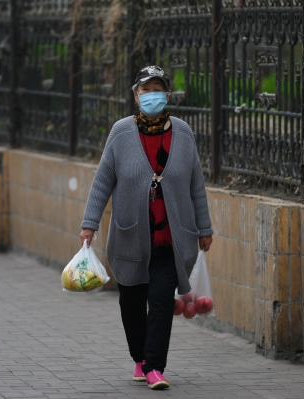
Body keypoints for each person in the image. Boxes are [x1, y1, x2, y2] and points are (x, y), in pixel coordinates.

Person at [80, 65, 213, 390]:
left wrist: (204, 227)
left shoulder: (183, 132)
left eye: (157, 88)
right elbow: (102, 181)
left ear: (167, 94)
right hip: (130, 239)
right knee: (132, 304)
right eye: (145, 89)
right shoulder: (121, 133)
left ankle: (154, 366)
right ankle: (139, 358)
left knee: (162, 301)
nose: (151, 94)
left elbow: (196, 183)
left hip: (172, 239)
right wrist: (89, 224)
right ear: (136, 95)